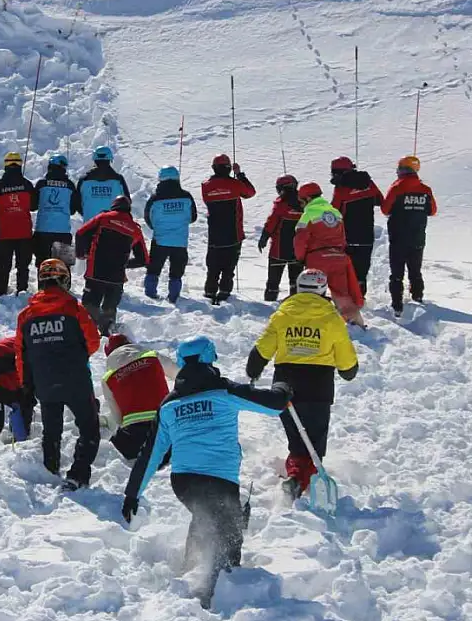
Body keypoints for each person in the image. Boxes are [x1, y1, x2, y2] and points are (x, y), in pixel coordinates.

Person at [127, 336, 292, 607]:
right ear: (209, 360)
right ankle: (215, 597)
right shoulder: (223, 391)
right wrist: (284, 387)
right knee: (229, 535)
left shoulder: (169, 405)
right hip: (218, 480)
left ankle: (190, 566)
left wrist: (132, 494)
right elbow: (275, 404)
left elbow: (150, 454)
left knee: (205, 514)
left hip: (184, 484)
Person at [246, 269, 358, 499]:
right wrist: (349, 370)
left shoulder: (283, 315)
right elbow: (347, 364)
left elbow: (263, 348)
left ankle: (296, 475)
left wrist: (254, 369)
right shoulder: (331, 319)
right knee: (315, 439)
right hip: (319, 385)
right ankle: (300, 479)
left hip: (286, 385)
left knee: (296, 437)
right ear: (323, 289)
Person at [15, 258, 101, 491]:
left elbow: (21, 355)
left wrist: (26, 385)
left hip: (44, 382)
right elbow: (93, 341)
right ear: (65, 280)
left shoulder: (25, 316)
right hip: (76, 380)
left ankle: (50, 470)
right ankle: (77, 475)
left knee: (51, 432)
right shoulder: (74, 309)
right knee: (89, 428)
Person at [75, 195, 148, 335]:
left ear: (113, 206)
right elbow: (143, 259)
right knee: (109, 311)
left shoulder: (103, 218)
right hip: (116, 279)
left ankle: (85, 336)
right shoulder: (135, 229)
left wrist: (81, 254)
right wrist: (123, 264)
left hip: (96, 273)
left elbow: (80, 233)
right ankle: (107, 337)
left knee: (89, 308)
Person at [293, 183, 365, 326]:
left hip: (317, 259)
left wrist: (300, 258)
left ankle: (313, 324)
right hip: (339, 257)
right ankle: (355, 323)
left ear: (307, 198)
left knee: (313, 294)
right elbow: (343, 237)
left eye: (301, 201)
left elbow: (300, 240)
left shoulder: (308, 215)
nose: (301, 205)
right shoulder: (335, 213)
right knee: (342, 295)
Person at [102, 332, 179, 463]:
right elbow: (179, 374)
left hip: (134, 442)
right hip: (166, 432)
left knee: (109, 450)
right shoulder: (152, 357)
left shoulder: (108, 379)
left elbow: (118, 418)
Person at [381, 156, 437, 316]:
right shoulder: (426, 190)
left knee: (397, 273)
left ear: (402, 170)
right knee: (416, 271)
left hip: (398, 238)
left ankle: (397, 305)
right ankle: (418, 298)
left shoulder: (396, 188)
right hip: (418, 238)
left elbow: (385, 209)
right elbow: (432, 211)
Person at [200, 154, 256, 304]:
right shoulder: (235, 184)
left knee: (213, 268)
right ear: (229, 168)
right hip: (233, 234)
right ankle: (224, 296)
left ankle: (209, 294)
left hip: (214, 235)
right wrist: (239, 174)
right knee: (228, 269)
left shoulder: (205, 186)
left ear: (213, 168)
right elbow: (250, 192)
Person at [329, 156, 382, 297]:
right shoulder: (369, 183)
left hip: (347, 237)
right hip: (366, 236)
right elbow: (380, 200)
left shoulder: (341, 189)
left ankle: (348, 299)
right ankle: (360, 298)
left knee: (346, 270)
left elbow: (334, 213)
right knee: (361, 272)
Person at [143, 166, 197, 303]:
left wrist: (158, 227)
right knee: (177, 271)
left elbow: (148, 217)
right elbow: (193, 217)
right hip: (180, 241)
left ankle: (150, 295)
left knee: (154, 268)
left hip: (160, 240)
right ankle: (173, 297)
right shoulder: (186, 196)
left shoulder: (155, 199)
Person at [0, 151, 37, 296]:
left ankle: (1, 290)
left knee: (3, 266)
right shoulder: (27, 184)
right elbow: (34, 205)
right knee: (23, 266)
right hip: (24, 232)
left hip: (5, 232)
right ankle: (21, 290)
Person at [258, 175, 304, 301]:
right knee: (296, 281)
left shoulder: (281, 204)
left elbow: (271, 223)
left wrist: (264, 237)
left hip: (278, 250)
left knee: (273, 281)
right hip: (299, 250)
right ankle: (297, 303)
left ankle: (270, 301)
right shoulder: (306, 203)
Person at [32, 154, 81, 265]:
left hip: (42, 232)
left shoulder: (41, 184)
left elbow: (33, 205)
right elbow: (73, 210)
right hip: (62, 232)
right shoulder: (70, 185)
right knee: (64, 266)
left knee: (43, 266)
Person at [77, 146, 130, 222]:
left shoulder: (84, 180)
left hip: (90, 227)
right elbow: (127, 203)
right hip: (113, 226)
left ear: (95, 159)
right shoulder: (118, 180)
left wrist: (87, 214)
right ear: (110, 159)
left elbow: (77, 204)